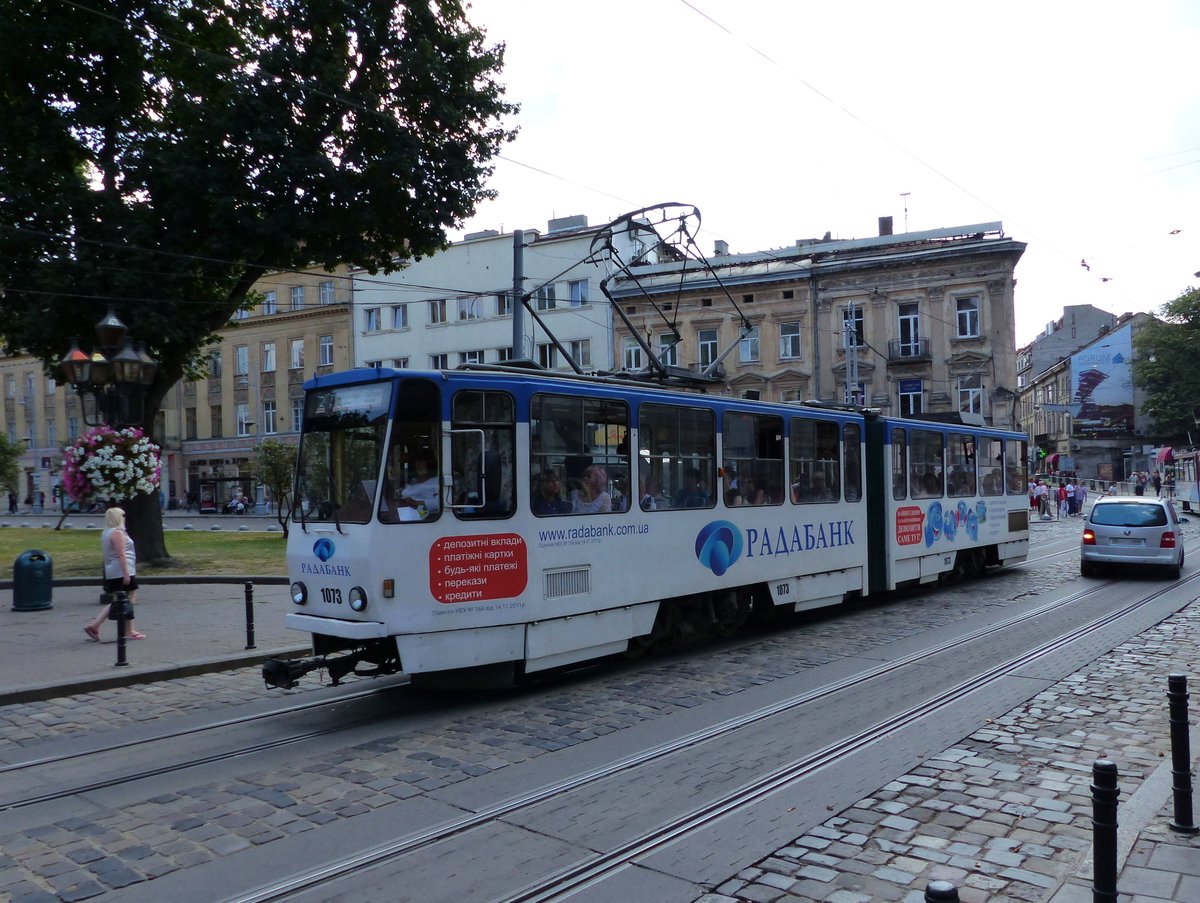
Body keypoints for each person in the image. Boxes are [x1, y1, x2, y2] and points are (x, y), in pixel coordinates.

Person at [85, 507, 145, 641]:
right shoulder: (117, 533)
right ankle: (129, 629)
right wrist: (126, 574)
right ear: (117, 518)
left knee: (119, 600)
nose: (125, 518)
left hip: (113, 571)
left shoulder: (106, 532)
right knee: (129, 597)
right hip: (121, 571)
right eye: (122, 515)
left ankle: (95, 626)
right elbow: (121, 554)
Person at [396, 451, 441, 521]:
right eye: (417, 462)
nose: (419, 465)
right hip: (405, 514)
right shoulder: (414, 480)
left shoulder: (436, 481)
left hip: (425, 519)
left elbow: (439, 503)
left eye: (422, 462)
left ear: (430, 465)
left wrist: (416, 503)